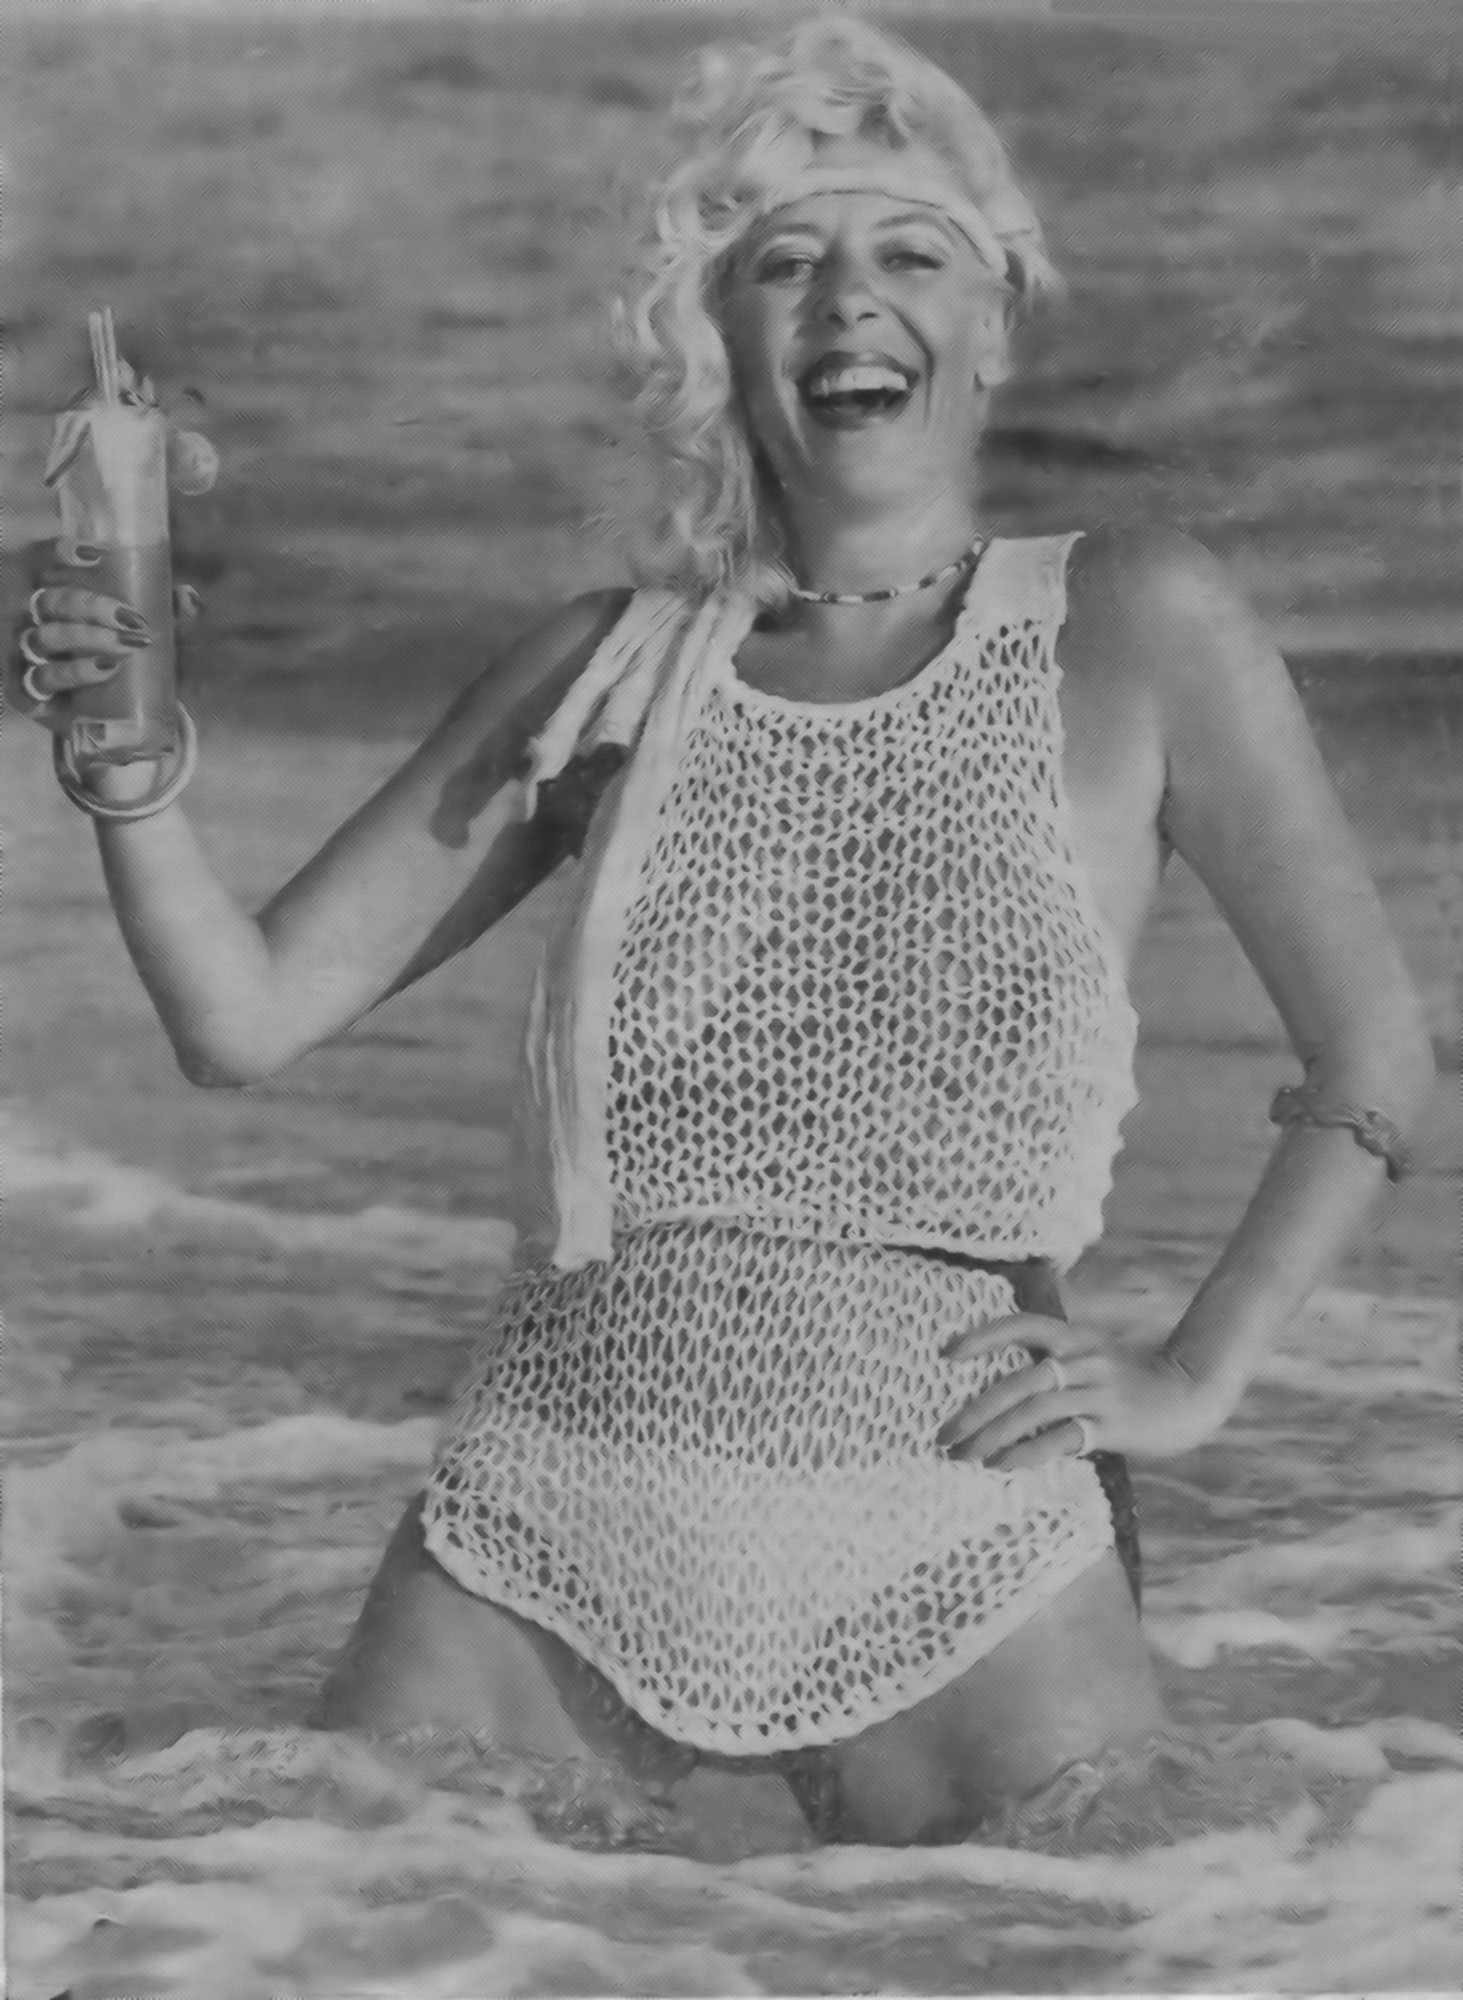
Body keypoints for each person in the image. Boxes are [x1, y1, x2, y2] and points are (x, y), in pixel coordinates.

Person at [9, 18, 1432, 1851]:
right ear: (719, 334)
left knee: (1093, 1957)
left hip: (948, 1541)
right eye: (784, 264)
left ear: (994, 322)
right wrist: (126, 770)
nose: (850, 301)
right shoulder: (607, 663)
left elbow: (1372, 1053)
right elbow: (243, 1016)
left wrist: (1197, 1369)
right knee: (241, 1924)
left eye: (910, 253)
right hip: (547, 1528)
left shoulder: (1133, 621)